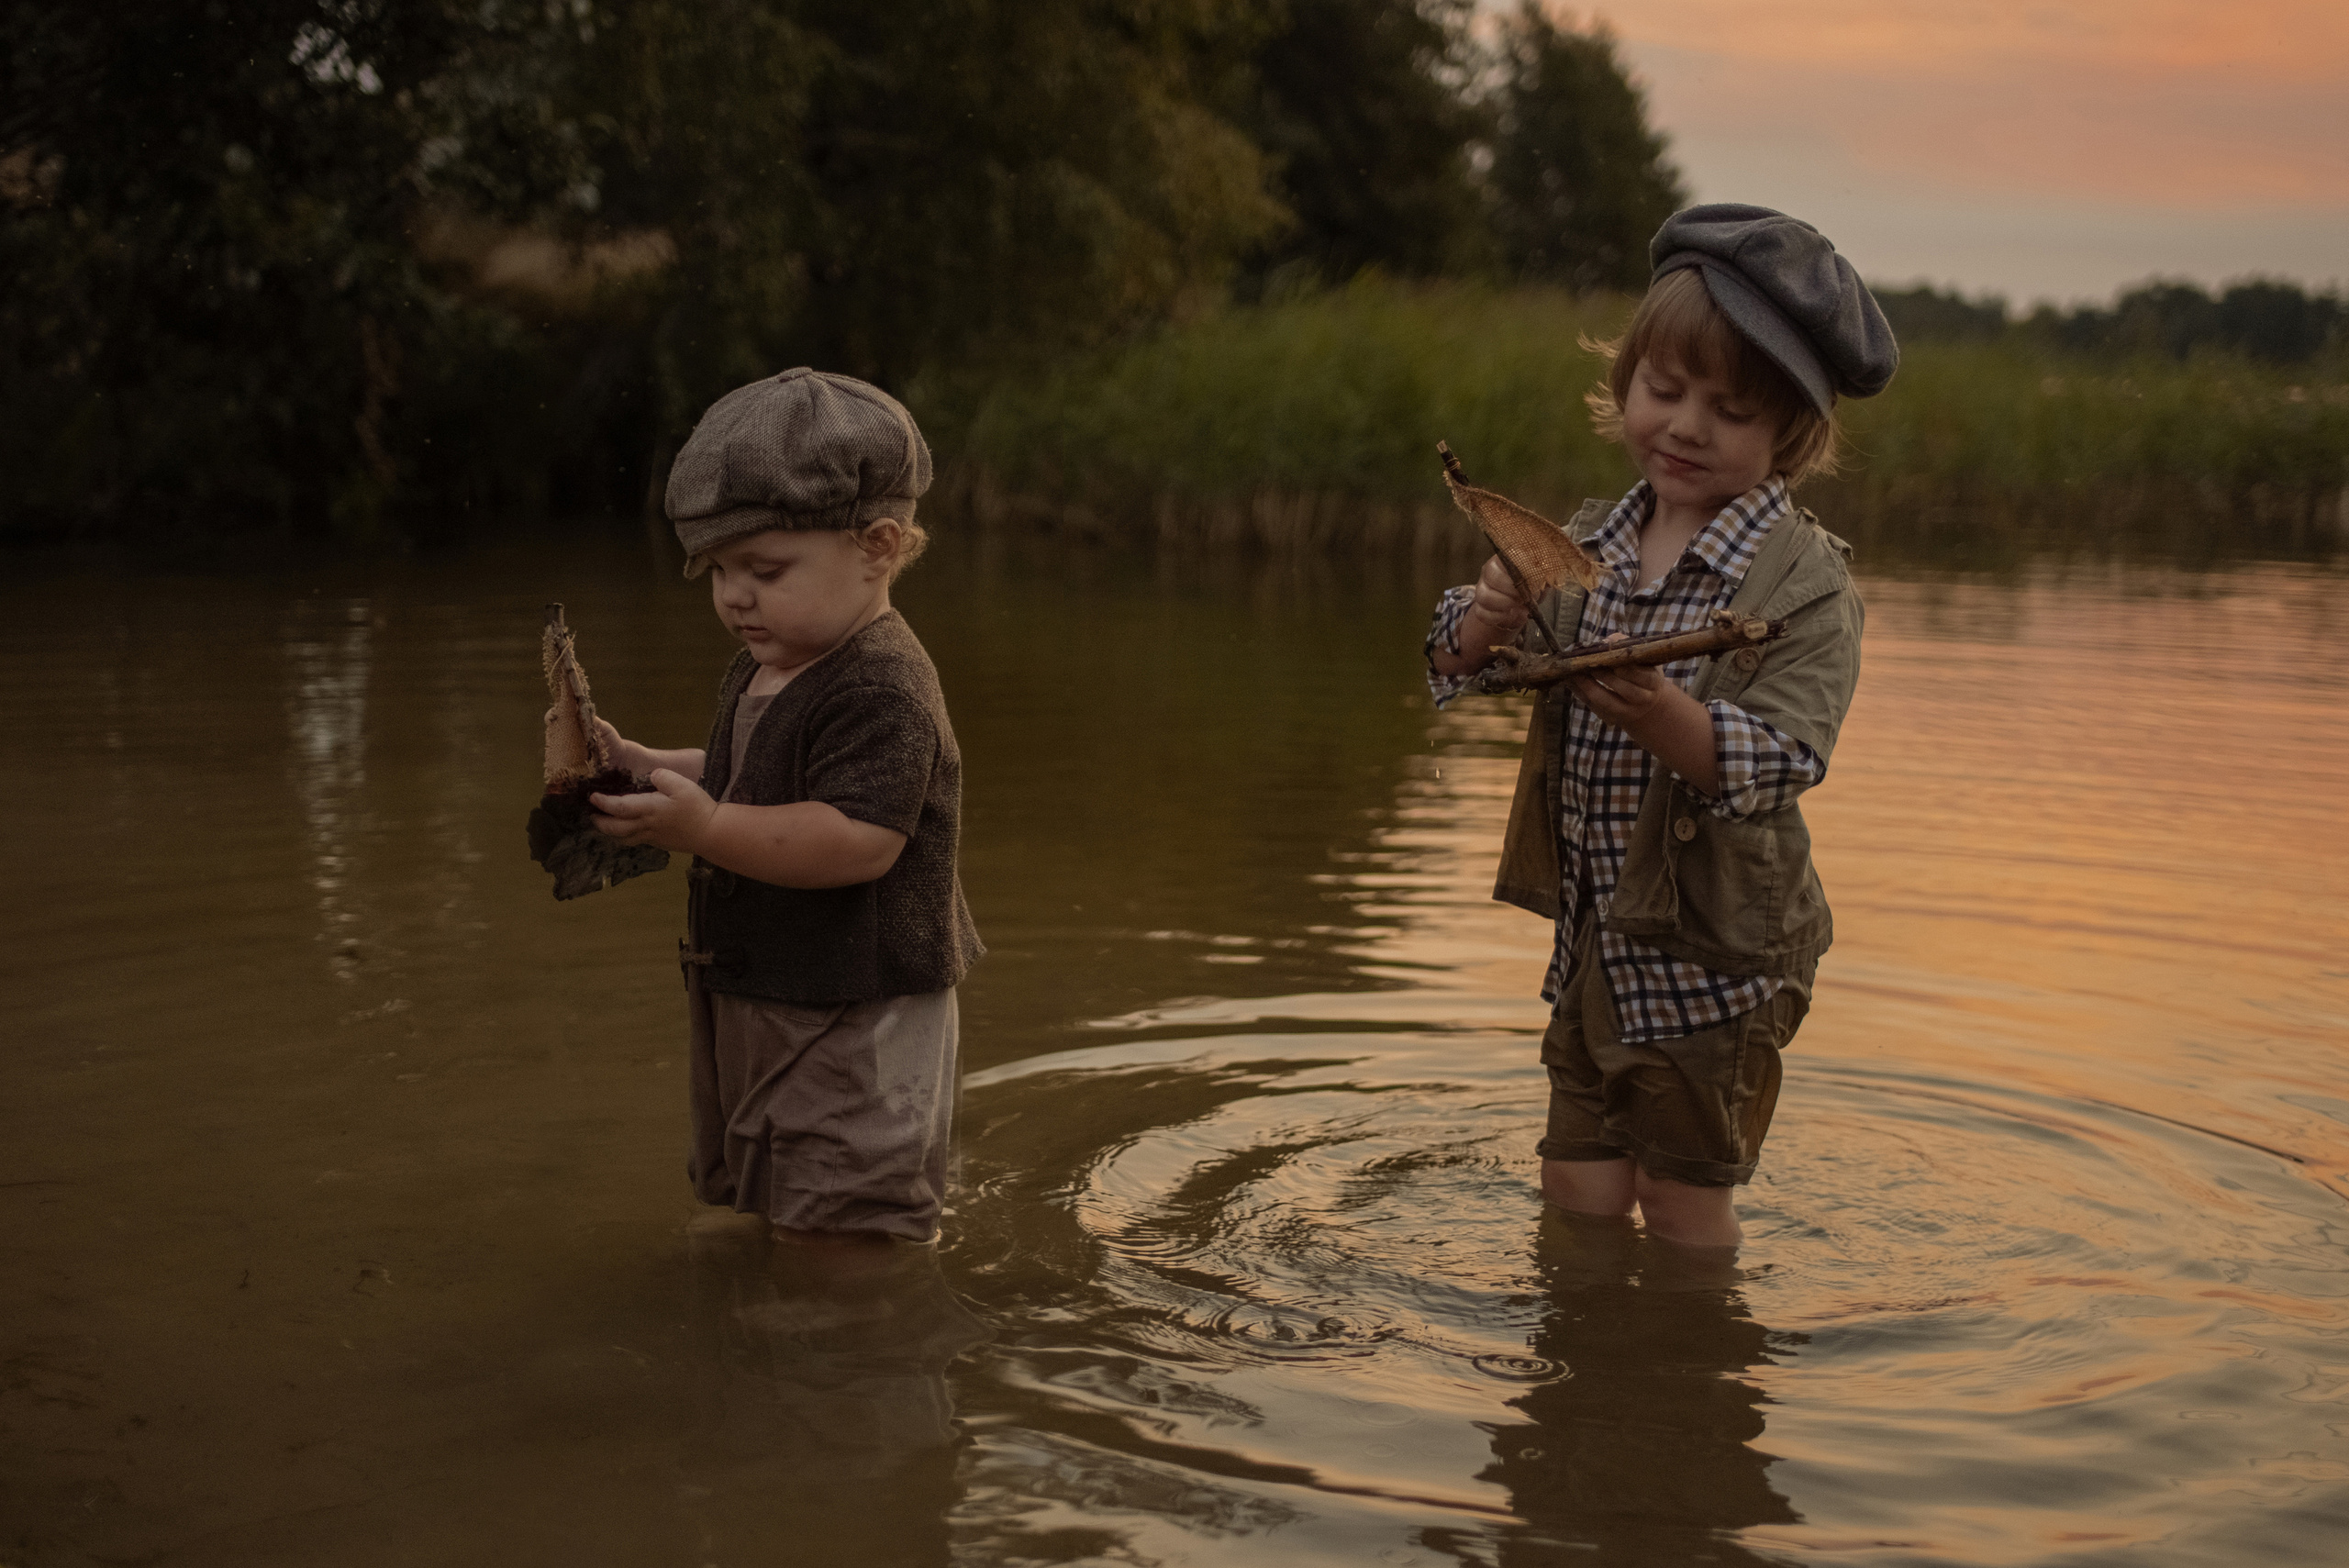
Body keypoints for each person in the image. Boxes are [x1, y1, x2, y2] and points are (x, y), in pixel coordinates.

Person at [1427, 205, 1898, 1249]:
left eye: (1729, 409)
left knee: (1684, 1206)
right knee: (1575, 1186)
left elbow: (1783, 759)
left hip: (1715, 962)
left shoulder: (1803, 583)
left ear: (1788, 433)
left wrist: (1664, 716)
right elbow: (1459, 670)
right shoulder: (1586, 544)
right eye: (1664, 389)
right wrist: (1487, 617)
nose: (1685, 426)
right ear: (1625, 381)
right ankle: (1591, 1344)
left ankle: (1696, 1349)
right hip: (1598, 943)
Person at [591, 367, 984, 1246]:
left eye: (764, 569)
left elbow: (857, 837)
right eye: (719, 570)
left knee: (849, 1211)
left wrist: (704, 827)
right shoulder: (771, 657)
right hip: (777, 990)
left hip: (857, 1017)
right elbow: (753, 774)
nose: (735, 595)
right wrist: (651, 768)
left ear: (878, 546)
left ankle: (852, 1303)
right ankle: (789, 1254)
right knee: (784, 1177)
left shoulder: (882, 685)